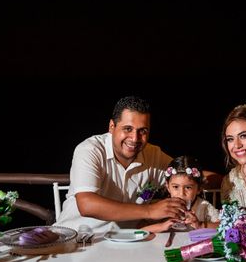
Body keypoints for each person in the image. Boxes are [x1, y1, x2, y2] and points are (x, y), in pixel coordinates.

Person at [55, 96, 187, 234]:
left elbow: (188, 173)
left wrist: (204, 178)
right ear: (112, 127)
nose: (135, 138)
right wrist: (150, 210)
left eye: (143, 131)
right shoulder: (90, 149)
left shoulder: (153, 154)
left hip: (127, 241)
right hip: (77, 240)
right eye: (128, 129)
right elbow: (87, 205)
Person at [142, 156, 220, 233]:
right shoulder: (163, 207)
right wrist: (161, 226)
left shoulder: (204, 206)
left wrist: (200, 225)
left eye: (188, 187)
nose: (181, 193)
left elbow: (223, 226)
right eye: (176, 187)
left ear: (199, 189)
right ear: (168, 187)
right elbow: (141, 230)